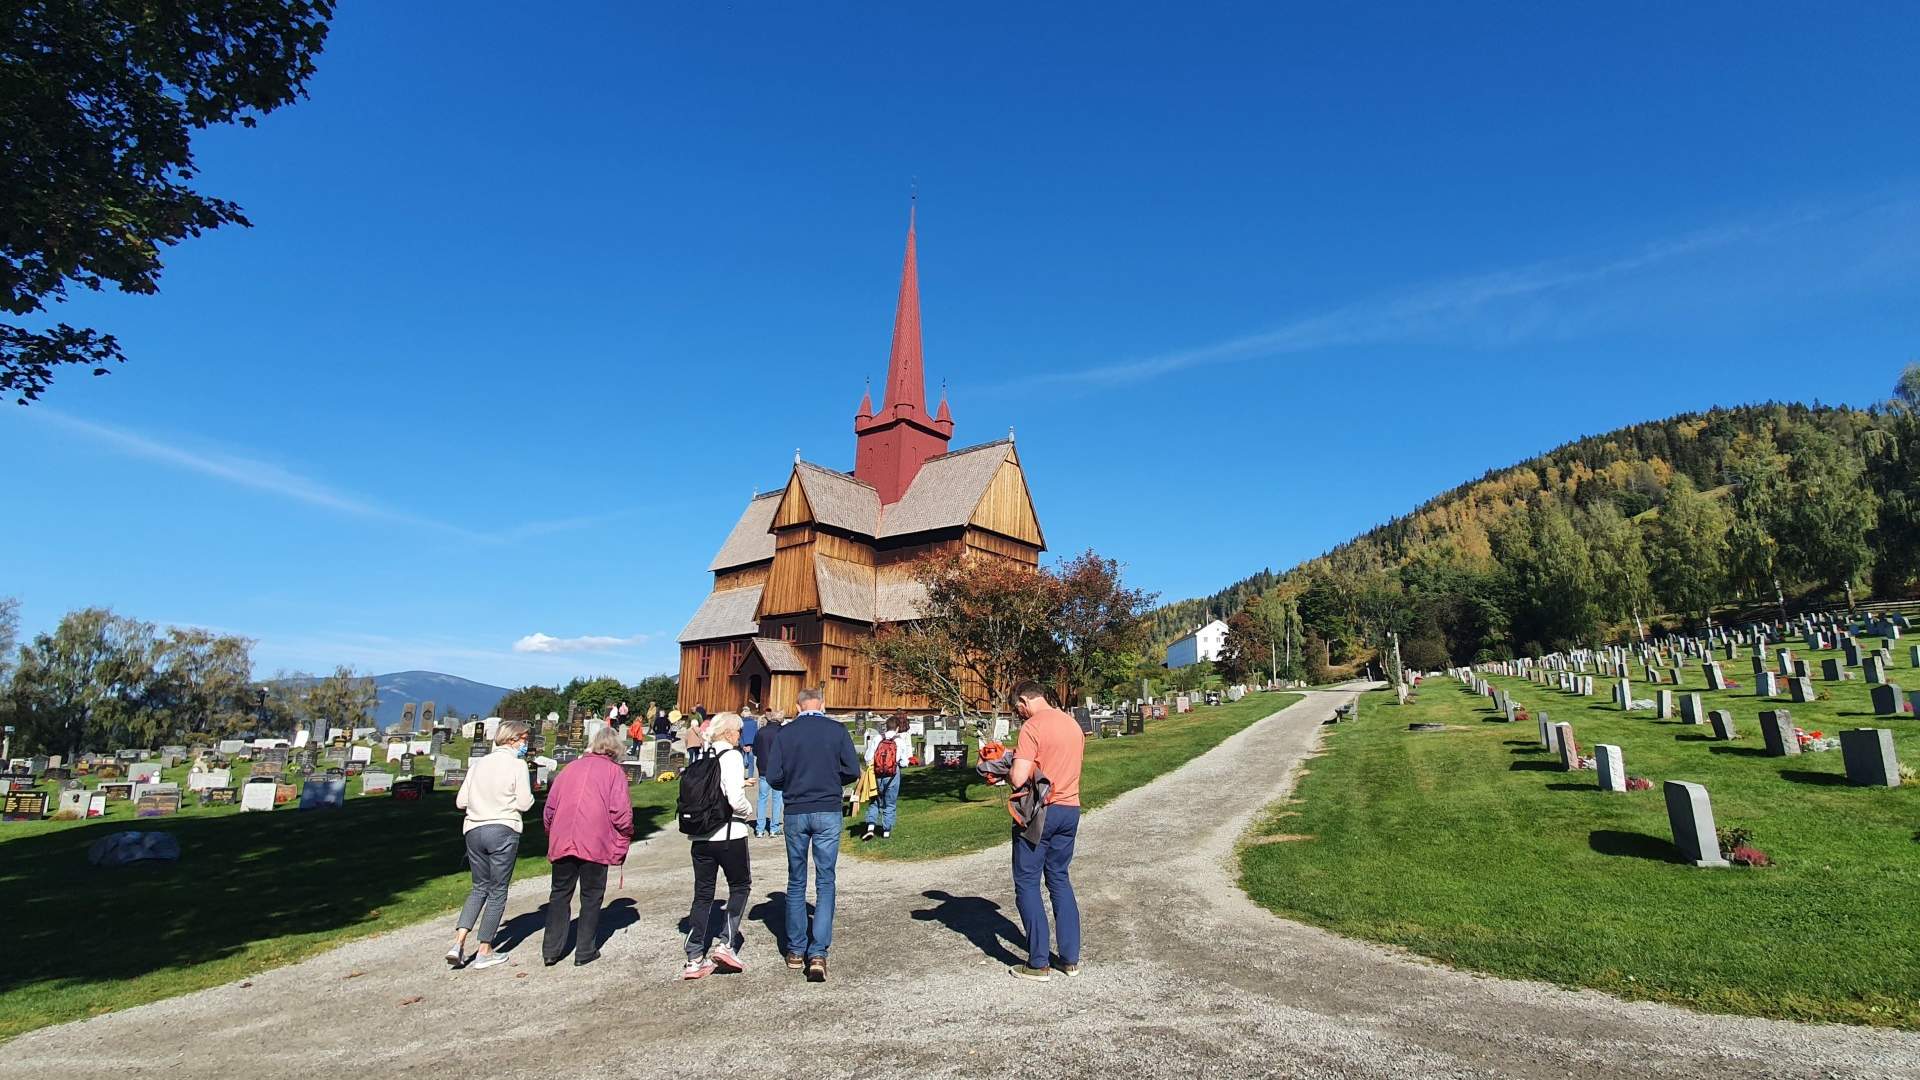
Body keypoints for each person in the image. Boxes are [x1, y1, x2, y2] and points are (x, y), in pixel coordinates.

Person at [765, 687, 859, 981]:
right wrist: (832, 781)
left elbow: (773, 775)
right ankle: (818, 953)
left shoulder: (785, 734)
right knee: (825, 879)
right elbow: (852, 770)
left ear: (798, 706)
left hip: (796, 809)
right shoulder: (836, 731)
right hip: (827, 808)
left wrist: (793, 783)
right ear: (823, 704)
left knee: (796, 879)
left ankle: (795, 949)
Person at [1006, 682, 1085, 982]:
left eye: (1018, 708)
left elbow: (1018, 778)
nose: (1019, 714)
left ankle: (1038, 962)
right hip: (1070, 808)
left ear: (1025, 701)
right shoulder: (1072, 725)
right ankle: (1070, 959)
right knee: (1059, 878)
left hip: (1042, 812)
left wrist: (1007, 766)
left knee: (1027, 881)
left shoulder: (1033, 727)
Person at [540, 723, 633, 966]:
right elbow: (620, 812)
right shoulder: (614, 772)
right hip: (595, 840)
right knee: (591, 896)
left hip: (564, 838)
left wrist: (552, 831)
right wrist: (625, 835)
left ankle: (551, 950)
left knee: (559, 893)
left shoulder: (570, 768)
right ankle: (584, 950)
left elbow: (550, 807)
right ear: (616, 749)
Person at [449, 719, 534, 971]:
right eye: (524, 739)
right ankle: (485, 949)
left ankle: (458, 942)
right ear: (512, 740)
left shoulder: (478, 764)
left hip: (474, 829)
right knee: (497, 890)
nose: (526, 744)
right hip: (502, 828)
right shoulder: (517, 765)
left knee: (479, 887)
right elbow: (525, 802)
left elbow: (461, 801)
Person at [682, 712, 753, 979]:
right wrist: (748, 811)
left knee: (703, 894)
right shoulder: (731, 756)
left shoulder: (702, 755)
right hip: (729, 834)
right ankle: (726, 944)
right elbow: (734, 798)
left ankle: (694, 957)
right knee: (740, 886)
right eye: (738, 731)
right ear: (728, 733)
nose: (740, 736)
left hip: (700, 837)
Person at [860, 715, 914, 841]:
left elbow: (868, 757)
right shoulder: (899, 741)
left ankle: (870, 827)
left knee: (874, 801)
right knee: (890, 803)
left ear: (886, 726)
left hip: (876, 774)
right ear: (897, 728)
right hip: (892, 775)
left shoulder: (878, 738)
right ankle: (886, 832)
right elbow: (904, 762)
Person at [754, 715, 784, 838]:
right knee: (777, 799)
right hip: (778, 770)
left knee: (762, 799)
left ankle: (759, 829)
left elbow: (755, 750)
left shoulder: (761, 731)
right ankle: (774, 828)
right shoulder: (782, 731)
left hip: (763, 769)